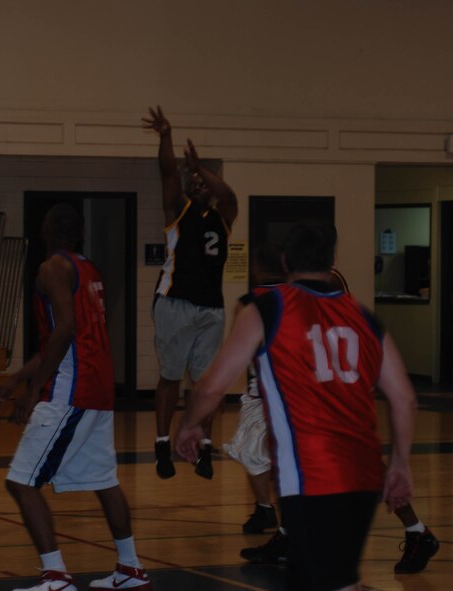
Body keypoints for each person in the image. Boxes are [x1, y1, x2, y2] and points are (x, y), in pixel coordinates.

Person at [176, 221, 417, 591]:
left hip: (312, 475)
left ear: (286, 261)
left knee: (320, 580)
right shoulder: (364, 316)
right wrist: (400, 463)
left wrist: (190, 424)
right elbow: (404, 399)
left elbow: (212, 386)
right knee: (339, 579)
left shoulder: (267, 308)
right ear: (333, 261)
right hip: (364, 472)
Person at [239, 266, 440, 574]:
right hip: (321, 403)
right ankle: (288, 535)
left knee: (366, 473)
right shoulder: (308, 304)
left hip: (338, 403)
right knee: (295, 469)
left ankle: (417, 531)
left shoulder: (322, 302)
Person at [0, 204, 151, 591]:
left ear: (46, 228)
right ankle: (130, 568)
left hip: (72, 389)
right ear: (78, 233)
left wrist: (33, 390)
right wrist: (18, 378)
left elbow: (64, 331)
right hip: (98, 387)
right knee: (104, 480)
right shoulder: (88, 268)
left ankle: (56, 576)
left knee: (21, 482)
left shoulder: (51, 268)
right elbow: (64, 337)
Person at [142, 106, 238, 480]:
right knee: (170, 377)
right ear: (185, 188)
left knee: (205, 385)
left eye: (202, 182)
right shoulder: (177, 210)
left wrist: (201, 169)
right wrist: (166, 136)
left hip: (211, 308)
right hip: (175, 301)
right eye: (193, 182)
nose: (198, 185)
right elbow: (168, 172)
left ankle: (204, 448)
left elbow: (228, 194)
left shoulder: (223, 217)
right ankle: (162, 444)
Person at [222, 243, 287, 534]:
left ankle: (266, 509)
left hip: (264, 388)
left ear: (257, 269)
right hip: (298, 390)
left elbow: (239, 351)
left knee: (253, 452)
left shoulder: (249, 303)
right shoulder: (299, 298)